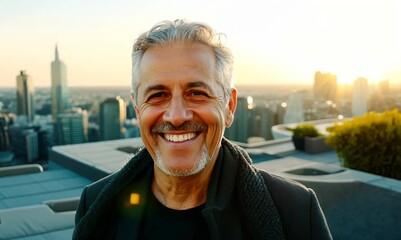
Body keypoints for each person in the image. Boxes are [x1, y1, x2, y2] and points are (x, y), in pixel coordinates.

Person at [73, 19, 332, 240]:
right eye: (157, 95)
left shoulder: (295, 211)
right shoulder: (95, 204)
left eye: (197, 93)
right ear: (137, 109)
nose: (176, 116)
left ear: (229, 106)